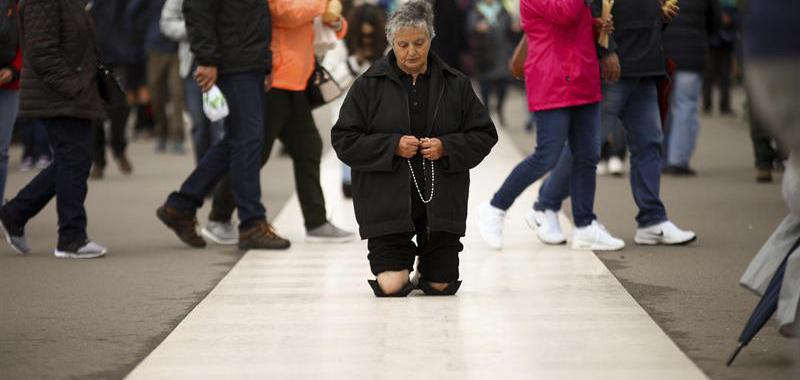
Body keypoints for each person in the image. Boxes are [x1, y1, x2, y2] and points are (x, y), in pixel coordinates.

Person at [333, 0, 497, 296]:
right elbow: (344, 139)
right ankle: (401, 266)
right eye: (403, 44)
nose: (411, 51)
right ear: (391, 43)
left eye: (419, 43)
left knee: (440, 285)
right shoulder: (368, 85)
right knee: (391, 286)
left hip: (440, 205)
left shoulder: (455, 84)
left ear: (431, 40)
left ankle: (428, 266)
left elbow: (484, 134)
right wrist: (391, 146)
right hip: (387, 207)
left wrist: (447, 147)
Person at [530, 0, 696, 248]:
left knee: (649, 144)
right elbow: (591, 8)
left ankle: (652, 220)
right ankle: (545, 204)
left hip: (645, 63)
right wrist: (606, 51)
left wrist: (659, 17)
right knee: (587, 145)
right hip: (615, 65)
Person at [201, 0, 354, 246]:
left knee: (308, 148)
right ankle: (218, 217)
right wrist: (322, 4)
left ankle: (316, 222)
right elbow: (285, 13)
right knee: (255, 153)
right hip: (273, 79)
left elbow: (332, 26)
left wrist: (336, 21)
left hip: (297, 80)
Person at [478, 0, 624, 251]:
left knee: (588, 155)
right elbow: (565, 13)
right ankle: (495, 207)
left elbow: (571, 22)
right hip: (552, 78)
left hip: (583, 76)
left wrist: (594, 24)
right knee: (546, 155)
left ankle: (585, 225)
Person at [156, 0, 289, 251]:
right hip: (232, 61)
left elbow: (255, 14)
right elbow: (197, 9)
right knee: (248, 140)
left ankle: (180, 206)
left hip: (248, 60)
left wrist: (264, 61)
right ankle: (252, 223)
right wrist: (207, 59)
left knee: (236, 140)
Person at [0, 0, 107, 258]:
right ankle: (71, 237)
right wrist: (74, 87)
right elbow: (40, 51)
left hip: (67, 93)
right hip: (58, 95)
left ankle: (15, 213)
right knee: (74, 160)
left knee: (72, 160)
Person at [328, 3, 389, 198]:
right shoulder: (340, 45)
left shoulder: (386, 48)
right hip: (347, 118)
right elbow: (331, 84)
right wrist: (355, 62)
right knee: (351, 188)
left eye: (371, 37)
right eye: (363, 37)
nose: (367, 41)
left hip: (378, 119)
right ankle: (349, 178)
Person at [160, 0, 224, 163]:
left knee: (221, 125)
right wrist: (195, 29)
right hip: (193, 67)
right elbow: (166, 22)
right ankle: (203, 176)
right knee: (200, 125)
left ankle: (222, 181)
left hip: (225, 65)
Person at [662, 0, 720, 176]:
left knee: (664, 106)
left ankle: (662, 158)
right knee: (685, 105)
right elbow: (714, 22)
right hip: (692, 54)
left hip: (664, 54)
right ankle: (678, 160)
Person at [129, 0, 186, 154]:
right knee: (156, 96)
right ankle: (161, 132)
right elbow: (132, 13)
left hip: (177, 48)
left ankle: (177, 137)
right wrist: (142, 34)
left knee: (177, 95)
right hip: (155, 49)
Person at [89, 0, 135, 179]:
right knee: (94, 112)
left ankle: (119, 149)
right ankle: (98, 161)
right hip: (90, 57)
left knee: (119, 108)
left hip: (117, 56)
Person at [467, 0, 513, 128]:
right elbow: (469, 29)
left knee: (503, 85)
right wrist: (476, 28)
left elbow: (510, 33)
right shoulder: (476, 11)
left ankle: (499, 109)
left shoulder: (503, 11)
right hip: (484, 56)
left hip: (502, 54)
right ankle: (486, 113)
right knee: (485, 86)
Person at [0, 0, 21, 201]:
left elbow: (27, 40)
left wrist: (14, 70)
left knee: (1, 151)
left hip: (8, 85)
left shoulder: (18, 4)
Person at [703, 0, 738, 115]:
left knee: (724, 76)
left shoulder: (731, 4)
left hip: (723, 43)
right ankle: (709, 105)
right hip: (714, 42)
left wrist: (730, 20)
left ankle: (722, 106)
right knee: (711, 76)